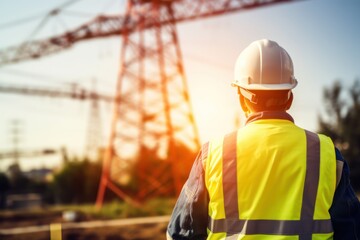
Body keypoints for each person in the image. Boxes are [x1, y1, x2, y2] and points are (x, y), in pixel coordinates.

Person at [166, 39, 360, 239]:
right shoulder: (326, 153)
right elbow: (352, 231)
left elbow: (181, 233)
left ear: (242, 100)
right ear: (290, 97)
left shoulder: (212, 154)